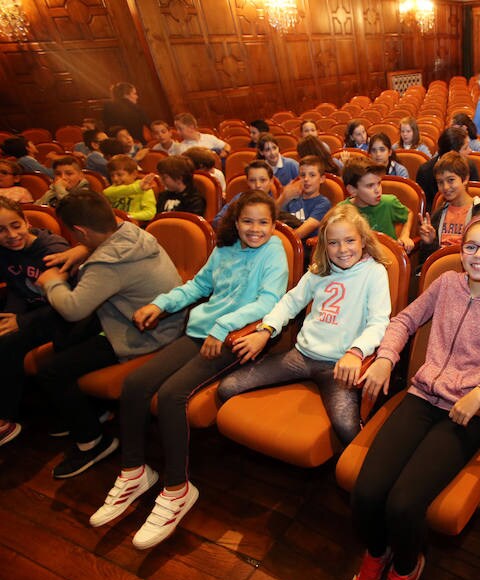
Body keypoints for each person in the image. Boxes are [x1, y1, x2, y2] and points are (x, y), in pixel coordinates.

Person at [349, 215, 480, 580]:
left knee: (404, 504)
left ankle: (405, 567)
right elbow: (403, 321)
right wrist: (386, 358)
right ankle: (377, 552)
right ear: (461, 249)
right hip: (422, 398)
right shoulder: (447, 284)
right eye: (471, 246)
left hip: (464, 413)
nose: (479, 255)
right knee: (367, 491)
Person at [88, 190, 287, 549]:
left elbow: (268, 301)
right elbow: (199, 285)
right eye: (247, 221)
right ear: (235, 221)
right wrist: (160, 304)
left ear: (274, 225)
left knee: (171, 395)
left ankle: (177, 488)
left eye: (264, 222)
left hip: (234, 337)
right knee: (135, 384)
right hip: (202, 331)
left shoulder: (273, 250)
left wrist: (223, 327)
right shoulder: (225, 248)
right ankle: (135, 472)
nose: (255, 229)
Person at [34, 191, 185, 479]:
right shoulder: (131, 231)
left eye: (75, 236)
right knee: (63, 341)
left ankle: (93, 442)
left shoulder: (108, 263)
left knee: (52, 370)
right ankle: (93, 411)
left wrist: (52, 283)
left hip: (143, 333)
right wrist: (84, 249)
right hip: (156, 320)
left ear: (80, 231)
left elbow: (73, 308)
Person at [217, 205, 390, 445]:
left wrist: (356, 352)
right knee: (227, 387)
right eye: (333, 243)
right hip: (301, 357)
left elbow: (379, 322)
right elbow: (290, 302)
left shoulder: (374, 272)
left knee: (346, 427)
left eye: (350, 240)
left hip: (338, 365)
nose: (342, 249)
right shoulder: (320, 271)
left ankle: (360, 471)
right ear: (324, 245)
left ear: (362, 240)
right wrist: (266, 330)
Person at [0, 197, 71, 446]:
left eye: (16, 225)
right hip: (32, 312)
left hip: (62, 315)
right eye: (1, 230)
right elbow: (17, 289)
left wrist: (22, 322)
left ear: (26, 222)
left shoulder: (52, 249)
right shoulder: (4, 251)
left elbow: (68, 303)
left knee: (7, 343)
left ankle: (5, 419)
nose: (11, 235)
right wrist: (12, 317)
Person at [419, 152, 480, 258]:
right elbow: (428, 257)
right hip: (441, 265)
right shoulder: (440, 213)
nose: (445, 187)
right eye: (440, 182)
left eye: (451, 180)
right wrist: (430, 242)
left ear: (465, 179)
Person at [339, 158, 414, 253]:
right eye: (370, 186)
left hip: (388, 258)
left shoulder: (389, 202)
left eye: (379, 183)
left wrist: (405, 235)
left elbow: (408, 213)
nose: (377, 190)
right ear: (352, 190)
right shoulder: (342, 211)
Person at [416, 127, 479, 211]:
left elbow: (473, 196)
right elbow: (426, 208)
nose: (470, 151)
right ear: (453, 154)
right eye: (465, 148)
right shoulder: (425, 172)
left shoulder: (470, 167)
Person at [277, 155, 332, 239]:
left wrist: (281, 241)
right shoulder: (292, 198)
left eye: (312, 175)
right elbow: (270, 216)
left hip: (302, 246)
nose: (306, 179)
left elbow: (301, 233)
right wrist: (284, 198)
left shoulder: (323, 203)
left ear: (321, 179)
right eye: (302, 175)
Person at [102, 155, 157, 222]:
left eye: (119, 175)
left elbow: (150, 213)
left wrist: (127, 216)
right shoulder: (113, 189)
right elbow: (107, 193)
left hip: (134, 224)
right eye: (112, 175)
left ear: (134, 174)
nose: (115, 179)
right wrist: (138, 188)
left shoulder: (145, 189)